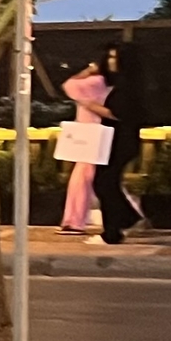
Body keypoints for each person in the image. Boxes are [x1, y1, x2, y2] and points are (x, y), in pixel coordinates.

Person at [91, 43, 145, 244]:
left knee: (105, 183)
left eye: (115, 58)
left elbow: (120, 113)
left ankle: (115, 229)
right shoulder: (124, 83)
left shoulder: (128, 86)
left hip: (120, 141)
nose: (111, 62)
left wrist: (93, 107)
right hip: (116, 140)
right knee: (106, 183)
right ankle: (124, 220)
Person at [58, 58, 110, 233]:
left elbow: (69, 85)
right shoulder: (112, 84)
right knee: (100, 177)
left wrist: (87, 71)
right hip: (102, 132)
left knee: (83, 177)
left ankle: (74, 220)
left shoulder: (95, 82)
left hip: (88, 133)